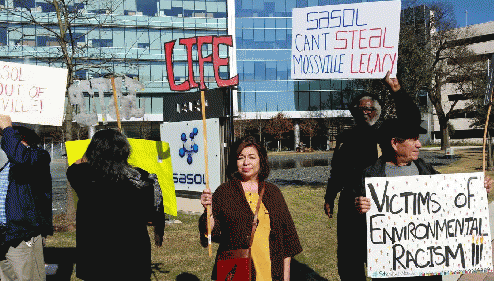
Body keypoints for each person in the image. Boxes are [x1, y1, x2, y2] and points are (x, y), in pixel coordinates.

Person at [354, 117, 493, 280]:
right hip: (392, 265)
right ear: (394, 143)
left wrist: (477, 190)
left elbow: (452, 197)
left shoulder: (424, 169)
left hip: (427, 264)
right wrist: (359, 207)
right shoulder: (370, 176)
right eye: (413, 139)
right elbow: (359, 226)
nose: (419, 144)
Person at [324, 72, 422, 280]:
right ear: (354, 112)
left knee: (385, 256)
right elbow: (337, 171)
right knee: (350, 259)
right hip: (352, 203)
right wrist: (330, 196)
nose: (366, 113)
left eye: (370, 109)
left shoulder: (386, 131)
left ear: (378, 111)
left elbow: (412, 119)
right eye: (361, 109)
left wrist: (396, 90)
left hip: (385, 205)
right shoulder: (345, 137)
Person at [199, 135, 302, 281]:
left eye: (252, 157)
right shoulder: (224, 191)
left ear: (261, 160)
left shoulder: (273, 192)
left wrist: (285, 278)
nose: (246, 162)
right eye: (241, 157)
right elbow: (211, 232)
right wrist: (208, 210)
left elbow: (288, 240)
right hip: (235, 273)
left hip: (270, 273)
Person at [66, 129, 165, 280]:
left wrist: (91, 152)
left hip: (97, 258)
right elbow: (151, 218)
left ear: (94, 151)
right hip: (133, 257)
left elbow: (77, 164)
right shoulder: (140, 178)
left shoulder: (84, 176)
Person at [0, 115, 52, 281]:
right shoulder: (9, 165)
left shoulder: (38, 157)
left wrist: (7, 127)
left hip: (21, 233)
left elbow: (21, 157)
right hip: (2, 233)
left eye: (9, 134)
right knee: (7, 275)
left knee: (27, 276)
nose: (4, 138)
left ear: (22, 137)